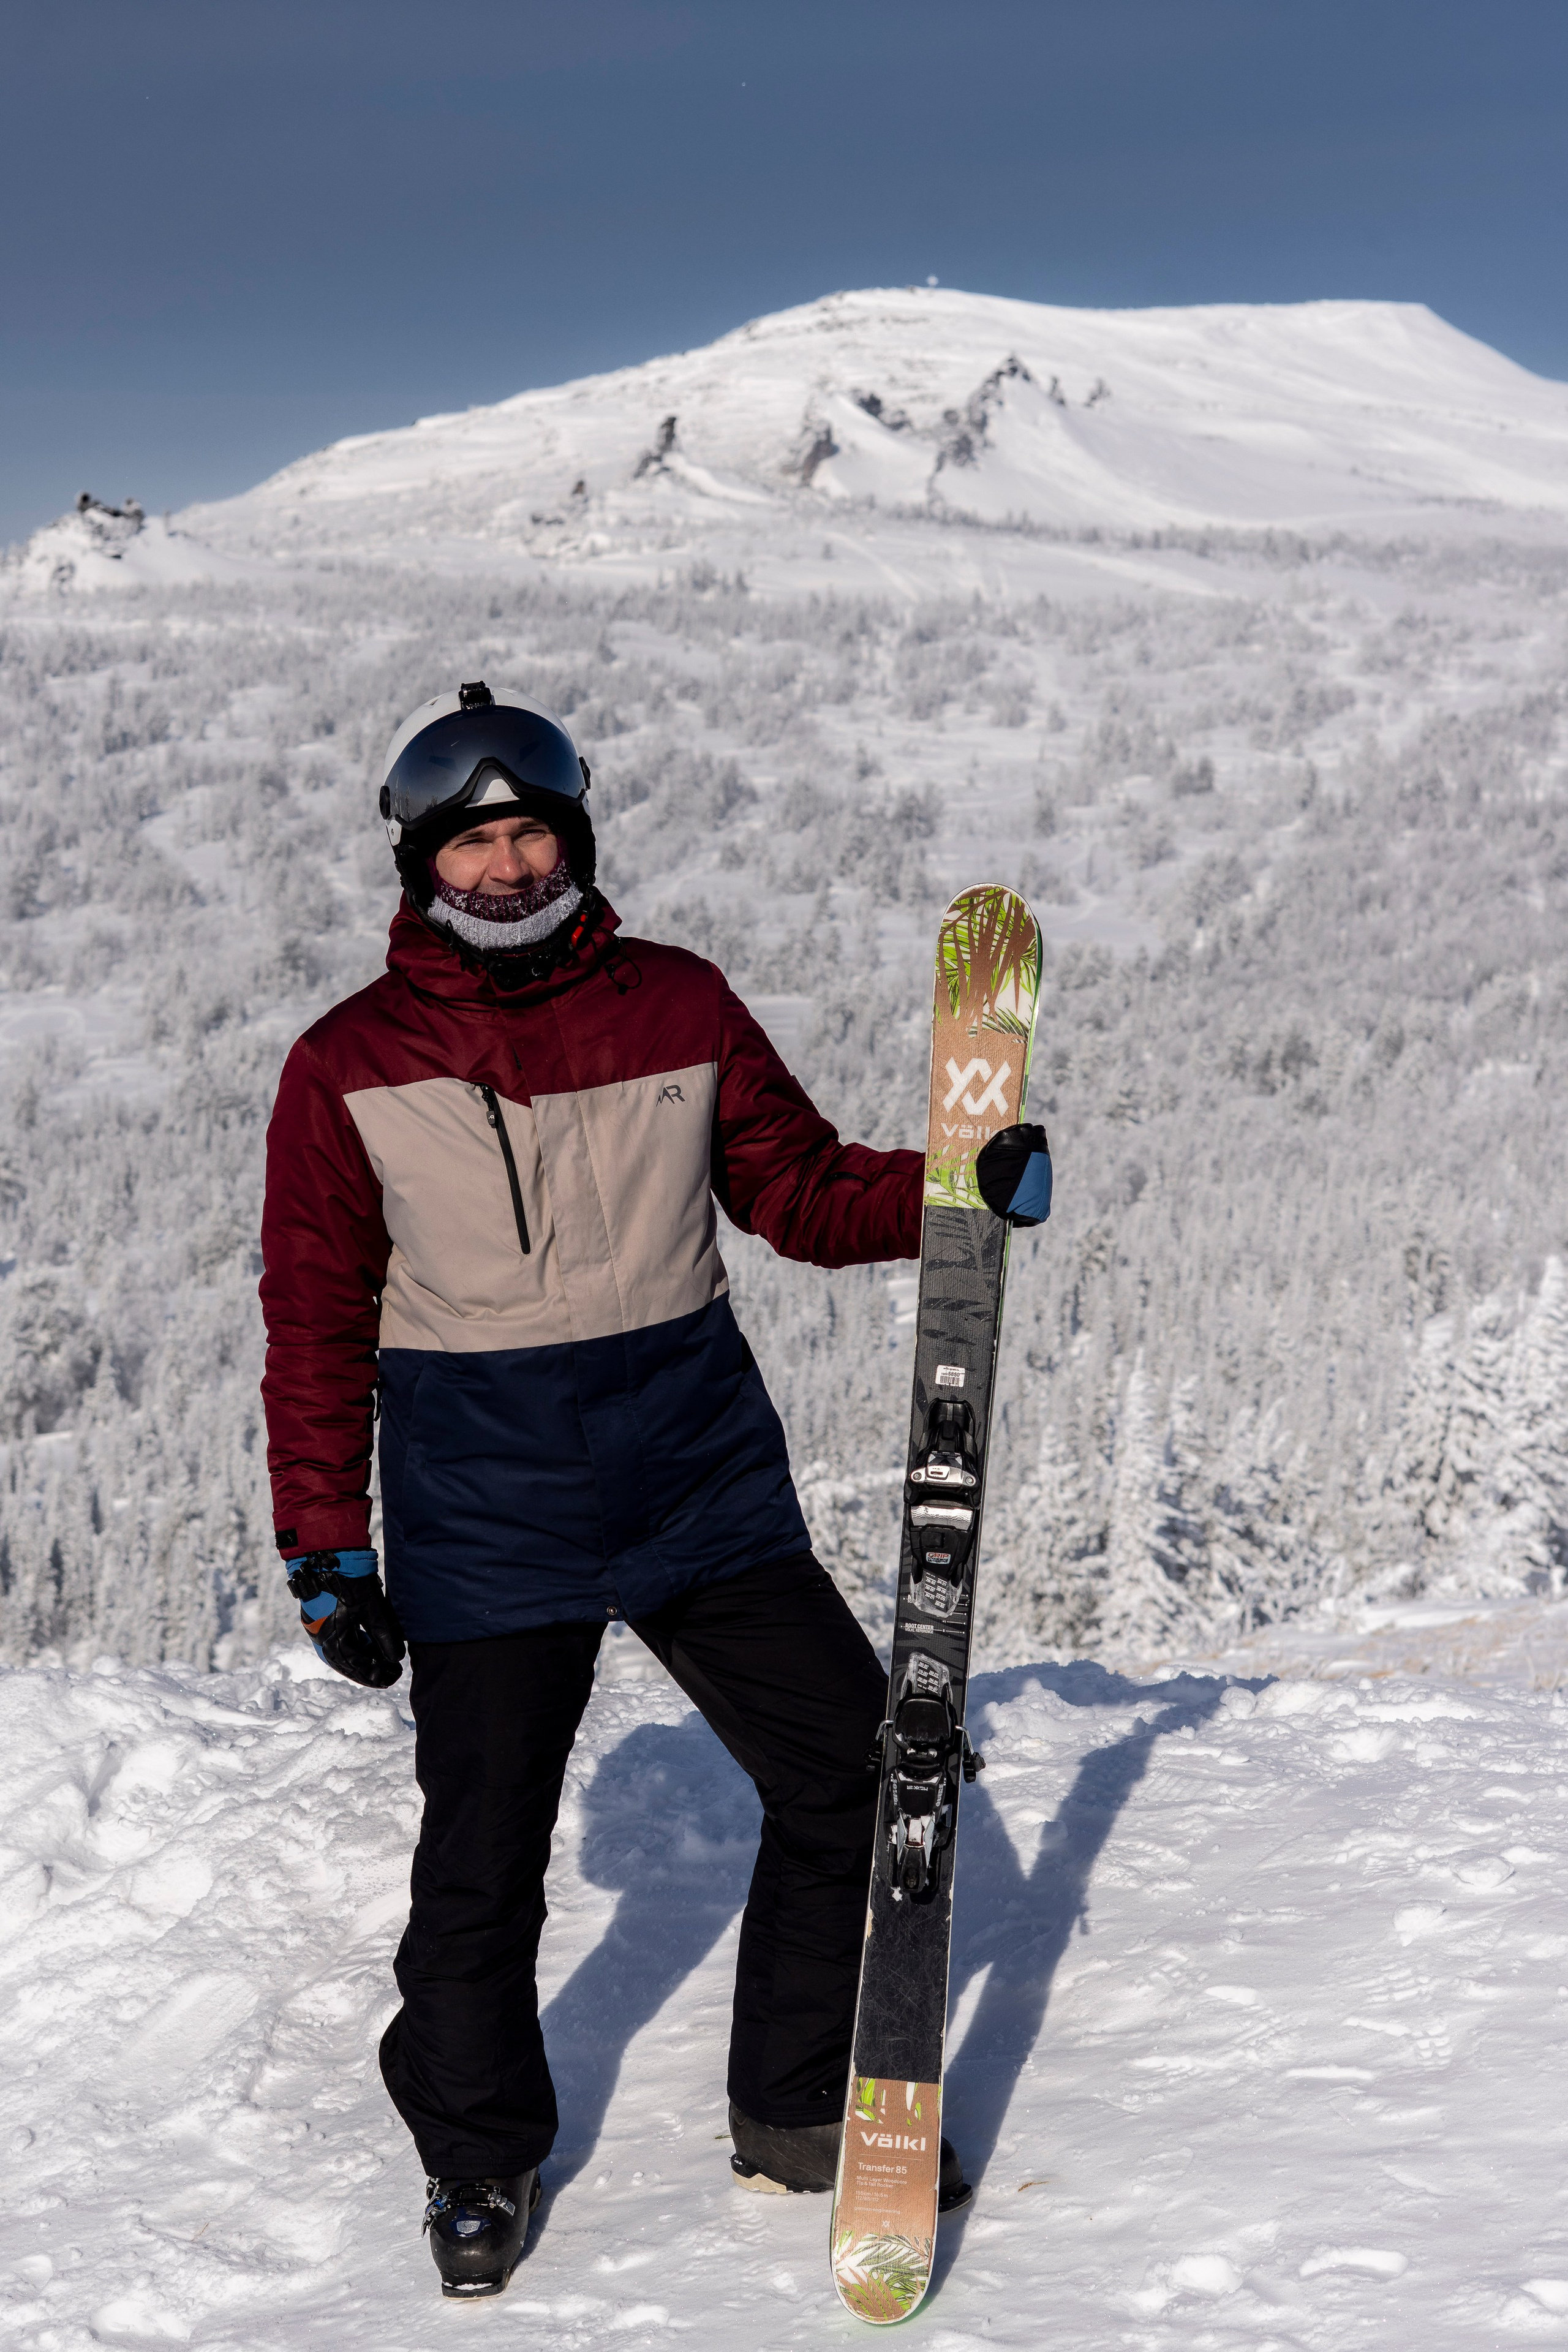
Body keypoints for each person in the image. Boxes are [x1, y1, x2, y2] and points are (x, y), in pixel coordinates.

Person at [257, 683, 1052, 2300]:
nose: (507, 863)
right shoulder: (344, 1064)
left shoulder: (678, 1003)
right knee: (484, 1860)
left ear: (576, 840)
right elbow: (317, 1316)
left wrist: (953, 1189)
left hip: (696, 1480)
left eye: (531, 830)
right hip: (489, 1507)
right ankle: (479, 2150)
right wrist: (325, 1541)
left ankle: (790, 2108)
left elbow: (798, 1190)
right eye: (473, 841)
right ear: (422, 864)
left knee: (858, 1775)